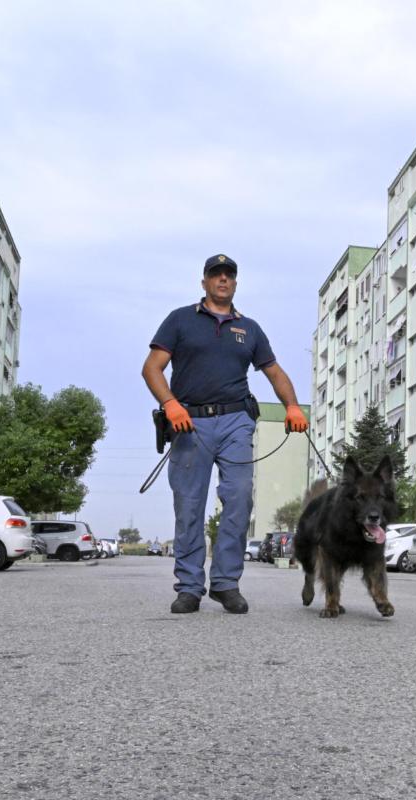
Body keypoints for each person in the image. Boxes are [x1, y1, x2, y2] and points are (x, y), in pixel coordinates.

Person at [142, 254, 308, 615]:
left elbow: (274, 372)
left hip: (236, 421)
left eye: (229, 275)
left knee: (238, 498)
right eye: (215, 274)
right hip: (190, 421)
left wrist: (292, 405)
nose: (222, 280)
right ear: (203, 282)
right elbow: (152, 368)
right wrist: (170, 403)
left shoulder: (249, 329)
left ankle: (225, 583)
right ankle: (189, 587)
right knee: (189, 506)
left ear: (235, 283)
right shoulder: (180, 320)